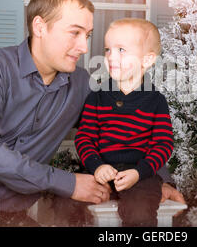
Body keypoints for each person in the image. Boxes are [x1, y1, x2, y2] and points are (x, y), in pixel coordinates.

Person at [0, 0, 184, 227]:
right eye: (75, 33)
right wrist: (69, 183)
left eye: (88, 35)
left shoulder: (81, 85)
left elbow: (125, 122)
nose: (83, 47)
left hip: (11, 218)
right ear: (40, 27)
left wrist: (153, 179)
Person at [74, 18, 176, 226]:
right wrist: (96, 166)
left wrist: (140, 172)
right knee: (68, 205)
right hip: (101, 170)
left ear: (146, 60)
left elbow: (163, 144)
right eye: (108, 50)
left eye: (121, 50)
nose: (111, 56)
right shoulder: (97, 96)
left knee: (140, 212)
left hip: (140, 173)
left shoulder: (155, 101)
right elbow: (85, 137)